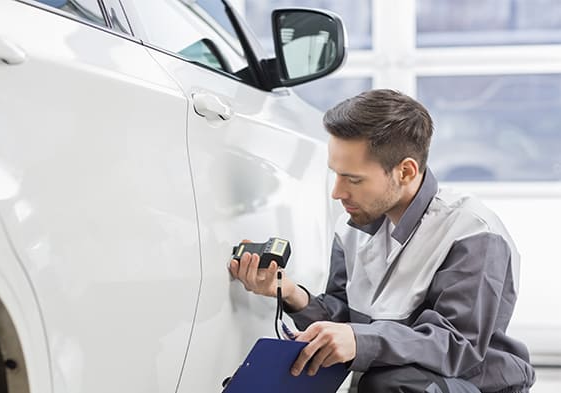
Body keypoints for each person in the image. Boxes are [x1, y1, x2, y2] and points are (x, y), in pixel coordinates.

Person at [229, 89, 535, 393]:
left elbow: (456, 346)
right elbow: (345, 316)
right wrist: (292, 294)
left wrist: (360, 340)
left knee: (388, 384)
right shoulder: (351, 227)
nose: (337, 192)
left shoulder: (472, 232)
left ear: (405, 171)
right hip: (396, 382)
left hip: (476, 384)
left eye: (354, 179)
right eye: (336, 175)